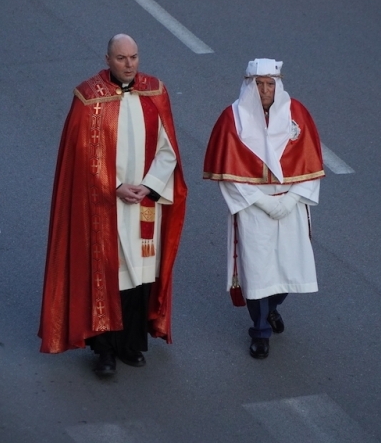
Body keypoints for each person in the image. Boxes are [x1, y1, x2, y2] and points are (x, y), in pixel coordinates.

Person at [38, 34, 187, 377]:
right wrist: (115, 186)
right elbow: (80, 157)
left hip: (144, 203)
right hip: (103, 204)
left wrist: (148, 186)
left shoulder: (154, 92)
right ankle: (104, 350)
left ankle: (131, 344)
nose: (130, 64)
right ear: (107, 59)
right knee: (104, 277)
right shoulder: (88, 97)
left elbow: (168, 149)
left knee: (139, 279)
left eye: (134, 57)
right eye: (121, 58)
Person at [203, 59, 324, 359]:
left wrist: (290, 200)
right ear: (249, 85)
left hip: (290, 204)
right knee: (256, 271)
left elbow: (311, 166)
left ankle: (273, 308)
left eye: (271, 84)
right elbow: (229, 176)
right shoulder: (233, 119)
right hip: (254, 206)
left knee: (288, 269)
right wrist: (264, 202)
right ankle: (259, 331)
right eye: (260, 84)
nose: (265, 90)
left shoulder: (298, 115)